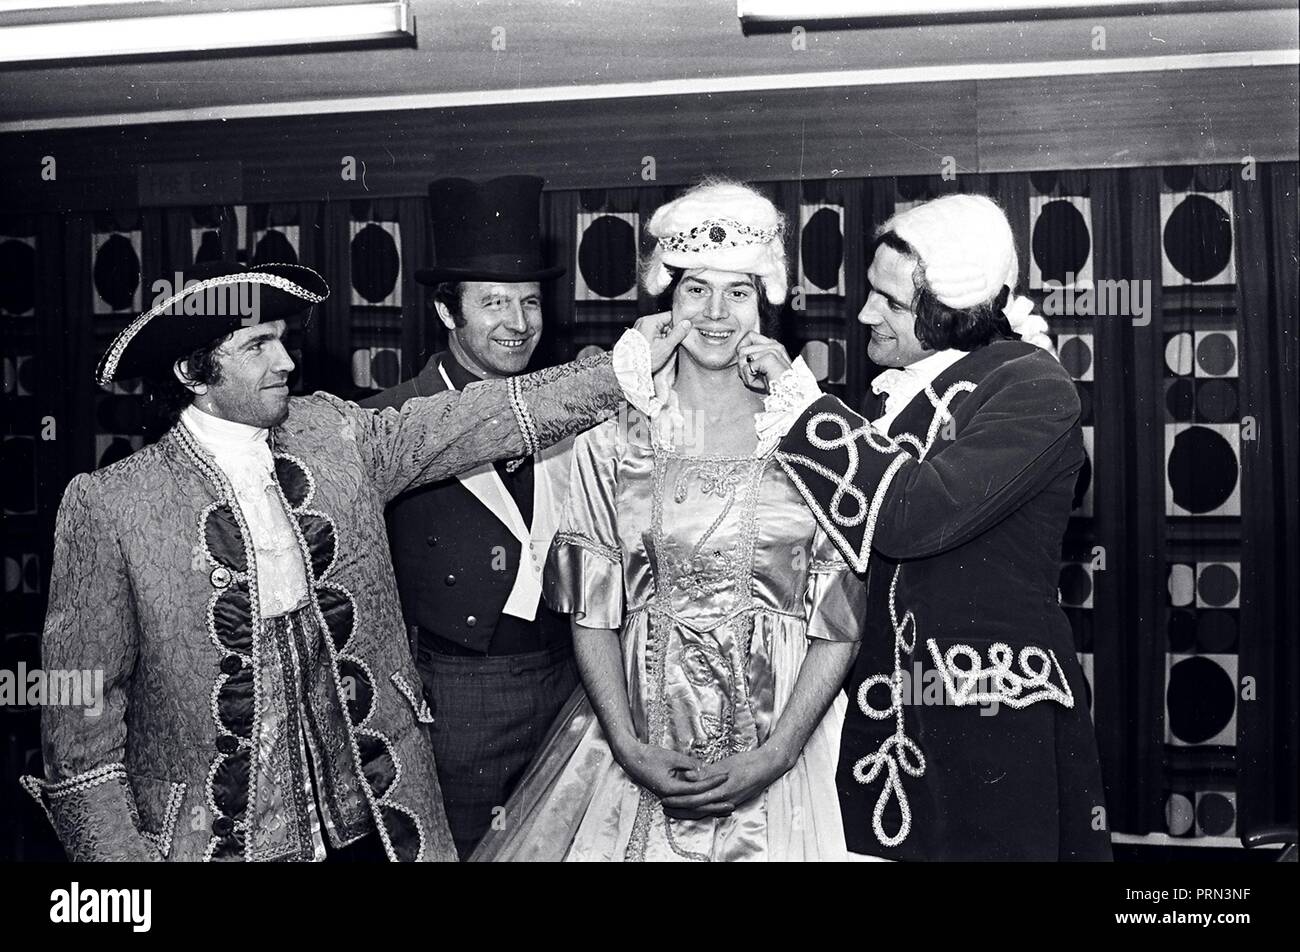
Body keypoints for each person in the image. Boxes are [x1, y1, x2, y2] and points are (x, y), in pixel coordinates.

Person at [20, 259, 687, 862]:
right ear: (193, 374)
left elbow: (470, 420)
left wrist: (621, 369)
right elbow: (77, 714)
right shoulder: (111, 503)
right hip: (212, 839)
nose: (286, 361)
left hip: (369, 821)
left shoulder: (334, 430)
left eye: (284, 338)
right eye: (257, 346)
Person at [472, 179, 865, 862]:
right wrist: (626, 745)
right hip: (639, 735)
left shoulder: (814, 430)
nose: (716, 313)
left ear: (765, 300)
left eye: (738, 291)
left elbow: (841, 623)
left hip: (786, 743)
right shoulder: (611, 433)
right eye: (695, 290)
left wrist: (778, 754)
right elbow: (592, 613)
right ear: (667, 298)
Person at [752, 193, 1112, 861]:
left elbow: (910, 517)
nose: (865, 314)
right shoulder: (897, 392)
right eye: (870, 292)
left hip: (984, 721)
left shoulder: (1034, 387)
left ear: (955, 311)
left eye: (890, 302)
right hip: (886, 717)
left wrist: (801, 409)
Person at [361, 175, 584, 858]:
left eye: (530, 301)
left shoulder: (570, 406)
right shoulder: (389, 420)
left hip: (570, 675)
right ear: (446, 311)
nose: (518, 323)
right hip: (457, 694)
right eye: (493, 303)